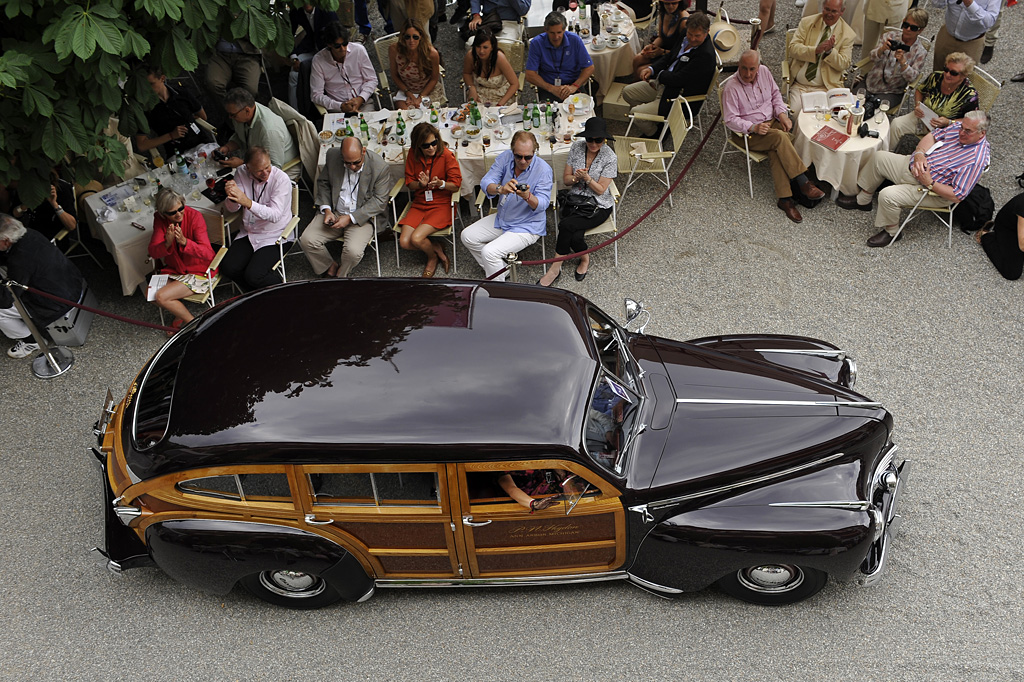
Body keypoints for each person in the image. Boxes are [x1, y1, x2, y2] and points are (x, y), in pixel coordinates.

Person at [837, 111, 991, 247]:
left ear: (981, 133)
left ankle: (892, 232)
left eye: (967, 131)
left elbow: (957, 195)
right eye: (962, 127)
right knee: (878, 157)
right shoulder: (960, 128)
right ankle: (863, 200)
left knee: (887, 195)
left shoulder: (976, 160)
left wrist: (929, 182)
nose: (961, 132)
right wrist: (919, 154)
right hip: (916, 166)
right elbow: (933, 135)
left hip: (932, 190)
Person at [721, 50, 826, 224]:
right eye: (743, 68)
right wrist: (753, 127)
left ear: (758, 67)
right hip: (748, 133)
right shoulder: (731, 88)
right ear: (738, 66)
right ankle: (804, 182)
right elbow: (730, 120)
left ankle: (785, 199)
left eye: (752, 69)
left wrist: (782, 114)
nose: (747, 74)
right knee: (779, 138)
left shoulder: (764, 71)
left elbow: (776, 95)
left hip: (771, 122)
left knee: (776, 147)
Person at [461, 131, 552, 281]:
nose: (523, 161)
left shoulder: (543, 170)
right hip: (504, 217)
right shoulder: (505, 157)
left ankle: (499, 291)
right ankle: (501, 271)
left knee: (489, 252)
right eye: (518, 156)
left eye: (528, 157)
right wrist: (500, 189)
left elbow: (542, 205)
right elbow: (486, 182)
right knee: (467, 236)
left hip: (527, 226)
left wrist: (528, 196)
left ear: (534, 152)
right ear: (512, 151)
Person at [538, 118, 617, 286]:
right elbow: (566, 180)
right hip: (575, 200)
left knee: (566, 226)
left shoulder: (610, 157)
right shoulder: (576, 147)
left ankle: (554, 269)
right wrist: (576, 178)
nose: (593, 143)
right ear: (585, 138)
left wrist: (587, 179)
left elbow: (601, 190)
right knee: (575, 235)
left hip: (598, 205)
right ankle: (585, 259)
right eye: (590, 139)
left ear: (604, 140)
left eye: (598, 140)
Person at [300, 138, 392, 278]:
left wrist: (350, 218)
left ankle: (340, 276)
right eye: (347, 163)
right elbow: (323, 183)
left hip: (362, 217)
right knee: (307, 240)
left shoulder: (379, 167)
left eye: (356, 163)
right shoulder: (332, 155)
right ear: (341, 156)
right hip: (336, 211)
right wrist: (327, 210)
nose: (352, 167)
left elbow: (379, 201)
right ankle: (329, 265)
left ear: (363, 151)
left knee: (353, 252)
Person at [0, 214, 86, 359]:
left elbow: (8, 298)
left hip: (56, 303)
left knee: (1, 311)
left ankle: (31, 341)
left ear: (6, 241)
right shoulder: (29, 233)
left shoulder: (19, 261)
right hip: (72, 283)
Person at [622, 11, 716, 137]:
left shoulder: (705, 56)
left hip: (677, 98)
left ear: (707, 32)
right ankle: (655, 121)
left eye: (697, 36)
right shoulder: (684, 36)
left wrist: (658, 76)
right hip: (665, 85)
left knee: (635, 114)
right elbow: (670, 56)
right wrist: (652, 69)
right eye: (690, 34)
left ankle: (656, 134)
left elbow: (679, 79)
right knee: (627, 92)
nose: (692, 39)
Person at [219, 147, 294, 291]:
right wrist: (232, 197)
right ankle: (254, 294)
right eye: (259, 171)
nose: (265, 173)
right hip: (249, 231)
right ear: (248, 168)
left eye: (267, 167)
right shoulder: (241, 171)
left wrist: (247, 202)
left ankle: (284, 291)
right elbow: (232, 208)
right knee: (228, 268)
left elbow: (275, 215)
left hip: (275, 234)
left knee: (254, 275)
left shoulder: (281, 179)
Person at [146, 188, 217, 336]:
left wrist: (185, 242)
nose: (178, 214)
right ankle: (178, 311)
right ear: (163, 213)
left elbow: (208, 254)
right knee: (150, 294)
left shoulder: (195, 217)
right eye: (173, 212)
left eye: (181, 208)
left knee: (161, 297)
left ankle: (194, 325)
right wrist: (166, 243)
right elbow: (153, 252)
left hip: (199, 270)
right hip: (176, 268)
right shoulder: (160, 220)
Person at [398, 123, 462, 278]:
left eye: (434, 143)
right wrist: (420, 184)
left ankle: (432, 258)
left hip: (441, 203)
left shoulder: (446, 155)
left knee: (417, 238)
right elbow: (410, 183)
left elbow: (456, 185)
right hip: (420, 202)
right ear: (418, 145)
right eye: (426, 146)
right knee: (405, 242)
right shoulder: (413, 155)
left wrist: (441, 184)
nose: (432, 148)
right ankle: (436, 247)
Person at [889, 52, 979, 148]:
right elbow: (920, 90)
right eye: (946, 69)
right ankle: (887, 153)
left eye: (953, 73)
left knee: (929, 152)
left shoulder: (969, 95)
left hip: (944, 129)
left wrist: (949, 122)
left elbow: (972, 120)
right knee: (896, 124)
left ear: (963, 76)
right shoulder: (936, 77)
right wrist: (918, 105)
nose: (947, 74)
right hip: (923, 117)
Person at [786, 0, 855, 113]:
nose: (829, 14)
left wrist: (830, 52)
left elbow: (844, 64)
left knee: (823, 117)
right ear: (822, 7)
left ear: (842, 12)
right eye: (827, 9)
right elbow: (792, 48)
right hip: (800, 85)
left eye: (834, 11)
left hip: (825, 87)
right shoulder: (807, 22)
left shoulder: (848, 34)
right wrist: (815, 50)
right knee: (796, 114)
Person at [216, 88, 299, 174]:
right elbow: (241, 136)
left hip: (280, 170)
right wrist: (227, 147)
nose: (230, 117)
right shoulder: (243, 114)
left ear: (247, 110)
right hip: (254, 160)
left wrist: (242, 163)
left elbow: (275, 167)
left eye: (232, 115)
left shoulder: (269, 131)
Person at [135, 65, 212, 157]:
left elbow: (203, 116)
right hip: (177, 153)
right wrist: (171, 135)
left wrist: (189, 119)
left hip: (201, 144)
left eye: (151, 84)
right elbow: (142, 145)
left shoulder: (182, 93)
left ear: (162, 78)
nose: (148, 89)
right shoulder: (145, 108)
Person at [525, 12, 595, 103]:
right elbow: (529, 74)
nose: (556, 37)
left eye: (559, 32)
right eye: (552, 33)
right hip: (548, 87)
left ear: (564, 29)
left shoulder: (575, 40)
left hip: (572, 85)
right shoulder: (536, 43)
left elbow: (589, 67)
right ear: (545, 30)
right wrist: (552, 88)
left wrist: (574, 86)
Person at [310, 23, 379, 114]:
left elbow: (372, 79)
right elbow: (316, 95)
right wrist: (340, 106)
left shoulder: (358, 50)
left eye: (345, 44)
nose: (342, 49)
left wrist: (360, 99)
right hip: (338, 110)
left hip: (363, 104)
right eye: (337, 46)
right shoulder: (318, 60)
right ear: (329, 45)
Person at [863, 10, 929, 102]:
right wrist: (881, 49)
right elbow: (871, 57)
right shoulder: (889, 36)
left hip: (892, 91)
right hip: (872, 82)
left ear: (921, 30)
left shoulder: (920, 52)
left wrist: (903, 63)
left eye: (913, 28)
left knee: (872, 111)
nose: (908, 29)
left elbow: (912, 78)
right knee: (849, 104)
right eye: (906, 25)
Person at [0, 169, 78, 242]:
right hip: (25, 232)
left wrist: (54, 204)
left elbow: (71, 225)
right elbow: (14, 213)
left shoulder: (62, 189)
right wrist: (26, 204)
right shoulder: (26, 187)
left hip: (49, 237)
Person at [288, 3, 340, 110]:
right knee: (293, 75)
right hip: (311, 48)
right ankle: (295, 114)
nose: (307, 3)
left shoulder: (326, 10)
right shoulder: (296, 10)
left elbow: (337, 36)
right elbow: (287, 35)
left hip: (328, 52)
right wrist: (294, 57)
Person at [389, 20, 444, 110]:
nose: (411, 41)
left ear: (421, 36)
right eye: (407, 37)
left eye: (415, 37)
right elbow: (394, 76)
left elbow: (434, 79)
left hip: (427, 90)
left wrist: (420, 97)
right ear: (403, 37)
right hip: (405, 89)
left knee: (427, 116)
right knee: (405, 115)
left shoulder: (431, 53)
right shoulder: (394, 50)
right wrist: (408, 93)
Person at [931, 0, 1000, 72]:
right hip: (947, 35)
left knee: (963, 78)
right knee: (937, 73)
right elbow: (937, 4)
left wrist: (971, 5)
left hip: (972, 42)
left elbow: (989, 21)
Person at [632, 0, 689, 81]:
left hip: (672, 57)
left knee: (641, 70)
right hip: (662, 50)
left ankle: (644, 88)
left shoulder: (684, 22)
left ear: (680, 3)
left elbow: (682, 52)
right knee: (637, 59)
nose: (670, 6)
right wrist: (652, 46)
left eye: (674, 3)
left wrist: (662, 51)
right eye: (667, 3)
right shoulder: (664, 13)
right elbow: (661, 37)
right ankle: (634, 85)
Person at [462, 28, 520, 106]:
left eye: (485, 47)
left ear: (492, 47)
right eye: (478, 47)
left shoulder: (499, 58)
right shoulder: (471, 56)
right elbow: (466, 73)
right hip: (479, 93)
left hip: (500, 96)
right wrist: (471, 88)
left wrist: (500, 104)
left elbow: (515, 84)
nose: (481, 51)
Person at [975, 193, 1024, 280]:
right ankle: (986, 236)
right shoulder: (1022, 205)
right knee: (1012, 272)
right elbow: (1022, 245)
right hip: (1008, 229)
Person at [496, 469, 572, 512]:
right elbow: (511, 489)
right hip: (536, 501)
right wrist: (534, 504)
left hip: (563, 492)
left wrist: (555, 466)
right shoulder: (503, 469)